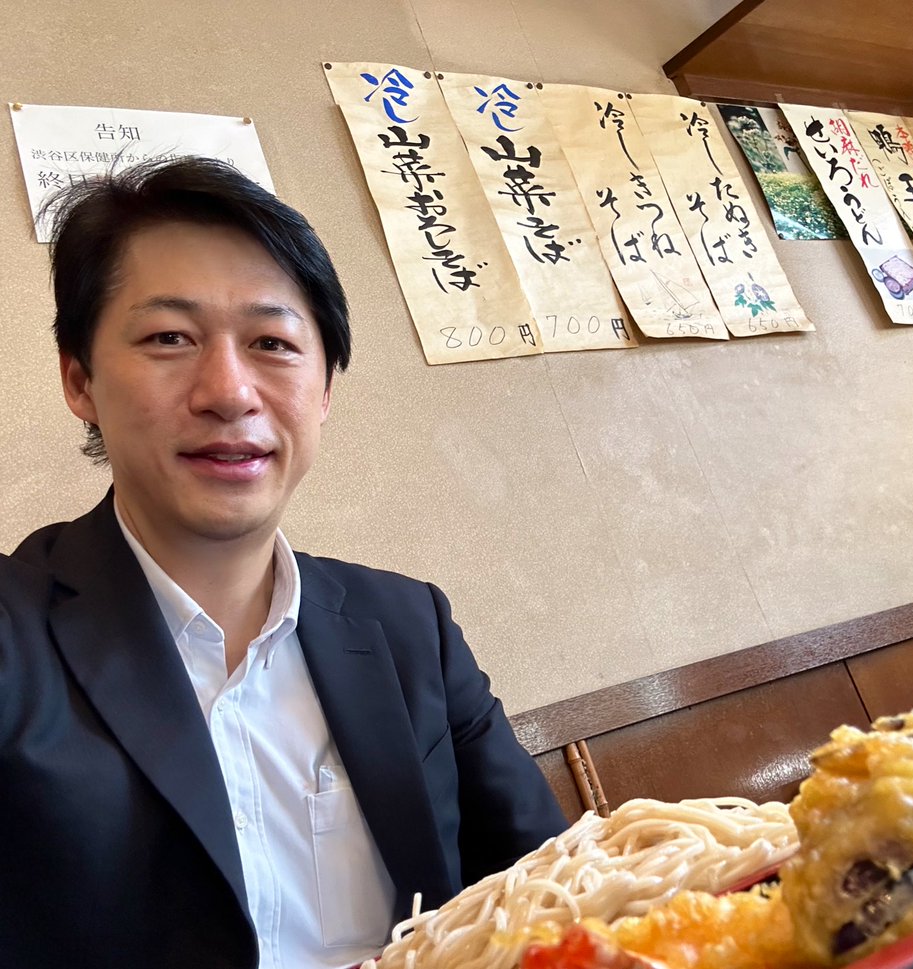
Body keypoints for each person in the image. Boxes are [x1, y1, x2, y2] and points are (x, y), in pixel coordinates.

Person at [0, 157, 568, 969]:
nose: (229, 391)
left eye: (272, 342)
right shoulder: (15, 635)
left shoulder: (411, 627)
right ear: (79, 380)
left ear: (325, 389)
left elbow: (553, 892)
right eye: (169, 338)